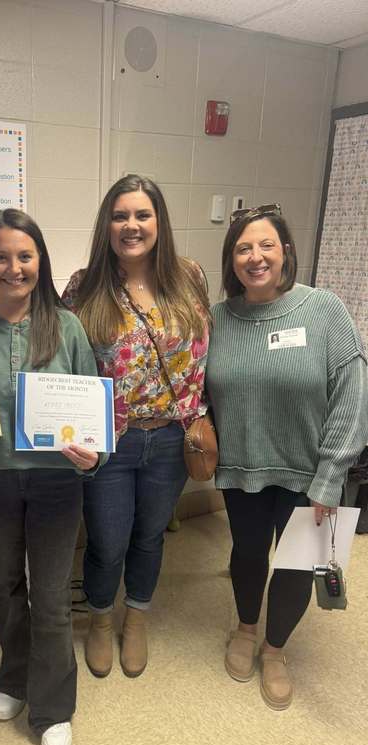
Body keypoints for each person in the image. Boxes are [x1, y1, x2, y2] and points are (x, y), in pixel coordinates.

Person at [0, 208, 102, 745]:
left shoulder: (68, 325)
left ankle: (54, 708)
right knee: (5, 585)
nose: (14, 267)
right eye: (1, 256)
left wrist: (91, 455)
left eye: (25, 256)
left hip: (58, 483)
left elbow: (92, 413)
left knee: (53, 596)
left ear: (41, 261)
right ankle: (13, 677)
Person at [206, 204, 368, 710]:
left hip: (313, 472)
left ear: (286, 252)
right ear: (231, 259)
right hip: (242, 468)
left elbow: (352, 392)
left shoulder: (324, 309)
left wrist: (331, 475)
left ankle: (275, 651)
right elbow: (202, 390)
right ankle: (246, 629)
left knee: (301, 565)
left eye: (266, 246)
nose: (255, 257)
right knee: (248, 554)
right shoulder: (219, 319)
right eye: (242, 248)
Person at [62, 174, 210, 679]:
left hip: (174, 437)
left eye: (142, 215)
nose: (131, 225)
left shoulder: (190, 277)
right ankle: (101, 620)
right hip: (109, 441)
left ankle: (137, 618)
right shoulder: (84, 287)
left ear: (159, 222)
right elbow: (63, 362)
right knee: (107, 538)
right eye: (120, 215)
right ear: (107, 225)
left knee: (149, 536)